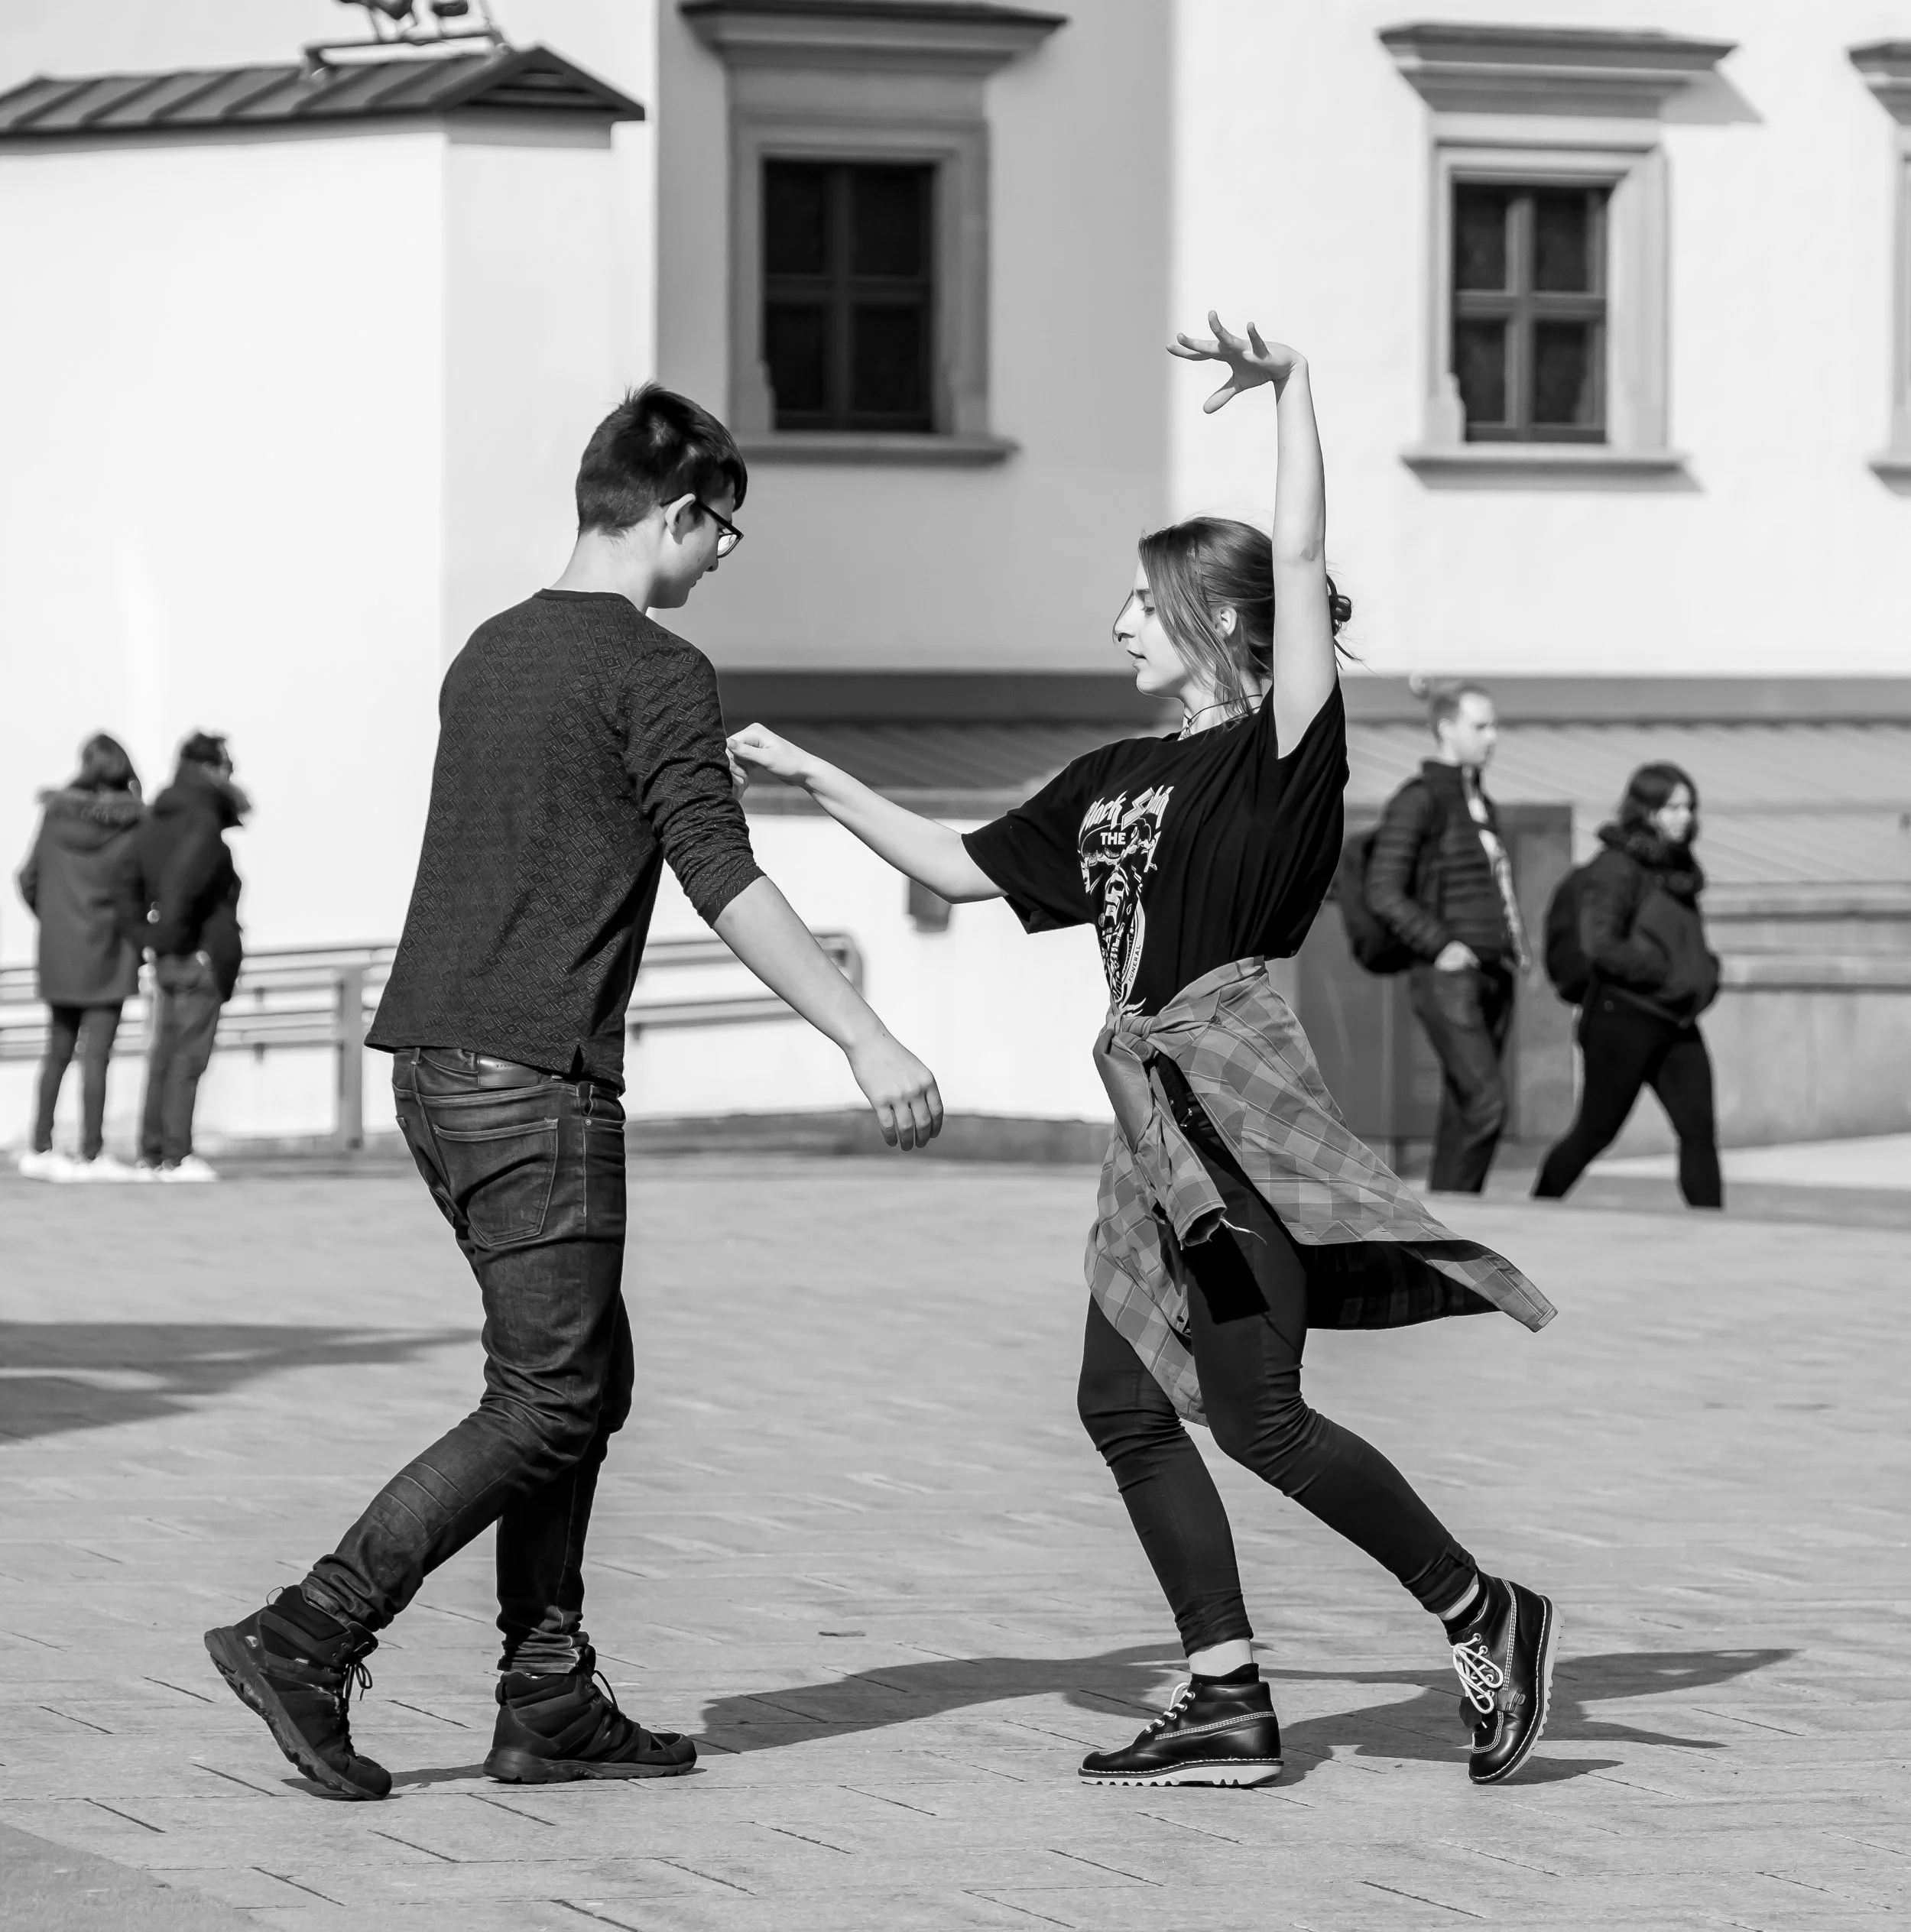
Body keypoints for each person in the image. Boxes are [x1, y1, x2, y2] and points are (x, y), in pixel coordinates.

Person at [731, 316, 1560, 1791]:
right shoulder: (1114, 775)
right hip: (1147, 1121)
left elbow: (1301, 558)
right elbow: (959, 865)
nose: (1119, 620)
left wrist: (1297, 390)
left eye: (1141, 597)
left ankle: (1479, 1606)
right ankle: (1227, 1692)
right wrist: (811, 773)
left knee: (1260, 1417)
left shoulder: (1281, 751)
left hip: (1229, 1100)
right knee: (1121, 1400)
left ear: (1215, 619)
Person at [203, 384, 944, 1803]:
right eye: (724, 532)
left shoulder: (489, 650)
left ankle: (547, 1693)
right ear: (679, 512)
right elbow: (721, 874)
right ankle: (310, 1630)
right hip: (535, 1081)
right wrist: (865, 1036)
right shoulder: (656, 668)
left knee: (579, 1379)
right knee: (552, 1397)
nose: (721, 558)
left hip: (437, 1068)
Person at [1364, 683, 1530, 1193]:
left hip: (1492, 973)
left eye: (1494, 726)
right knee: (1487, 1106)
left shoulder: (1482, 803)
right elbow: (1383, 890)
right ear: (1445, 729)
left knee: (1464, 1108)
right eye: (1480, 726)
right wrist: (1441, 946)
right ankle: (1456, 1215)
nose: (1492, 737)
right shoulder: (1420, 799)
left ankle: (1450, 1216)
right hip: (1448, 977)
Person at [1534, 764, 1721, 1207]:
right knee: (1595, 1132)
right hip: (1623, 1020)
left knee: (1698, 1130)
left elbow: (1682, 941)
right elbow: (1600, 943)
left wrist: (1705, 972)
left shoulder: (1678, 869)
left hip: (1677, 1020)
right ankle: (1539, 1205)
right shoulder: (1617, 866)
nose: (1684, 817)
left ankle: (1714, 1228)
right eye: (1672, 808)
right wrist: (1666, 975)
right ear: (1646, 810)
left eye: (1689, 808)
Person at [14, 734, 147, 1181]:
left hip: (60, 951)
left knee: (57, 1050)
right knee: (97, 1056)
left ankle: (40, 1147)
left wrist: (56, 921)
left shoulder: (55, 815)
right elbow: (141, 887)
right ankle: (92, 1152)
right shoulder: (134, 823)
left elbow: (28, 878)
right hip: (111, 950)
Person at [133, 731, 249, 1183]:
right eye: (227, 766)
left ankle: (153, 1154)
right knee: (188, 1058)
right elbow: (183, 888)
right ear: (210, 768)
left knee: (164, 1054)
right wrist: (180, 941)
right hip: (197, 952)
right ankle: (177, 1155)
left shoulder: (158, 816)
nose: (231, 775)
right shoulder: (203, 820)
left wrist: (153, 937)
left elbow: (134, 881)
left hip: (169, 954)